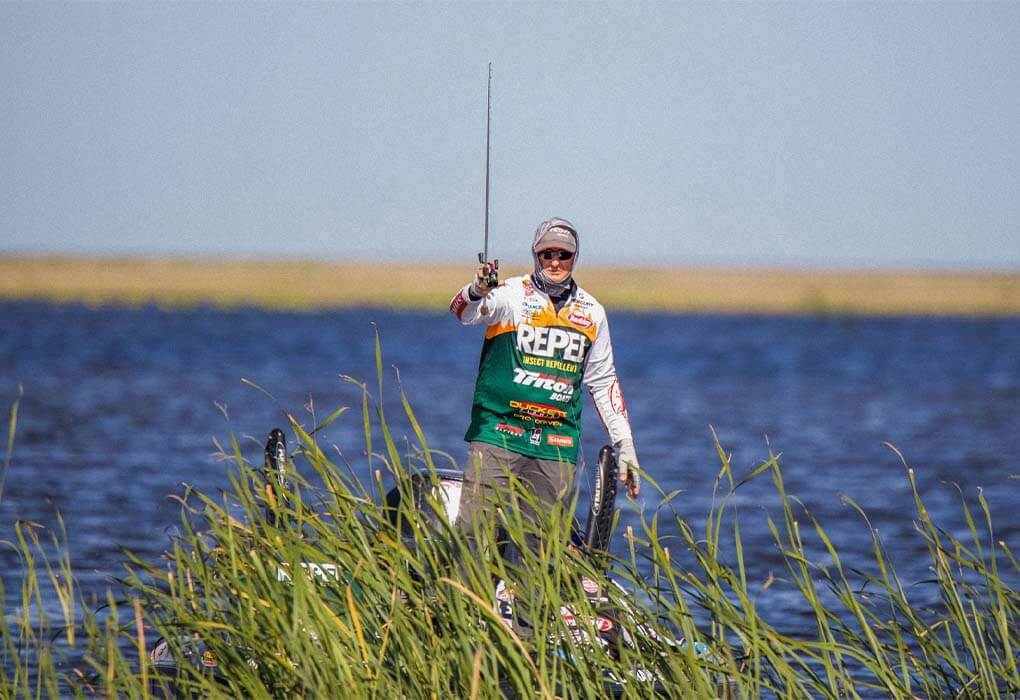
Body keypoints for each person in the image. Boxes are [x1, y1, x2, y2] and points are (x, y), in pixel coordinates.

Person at [449, 217, 642, 555]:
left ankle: (528, 606)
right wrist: (478, 289)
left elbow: (603, 381)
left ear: (574, 258)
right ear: (535, 255)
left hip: (556, 444)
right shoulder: (509, 294)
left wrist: (624, 443)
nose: (555, 262)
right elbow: (464, 312)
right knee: (472, 531)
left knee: (538, 547)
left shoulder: (592, 312)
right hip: (498, 432)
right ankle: (465, 600)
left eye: (563, 255)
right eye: (547, 254)